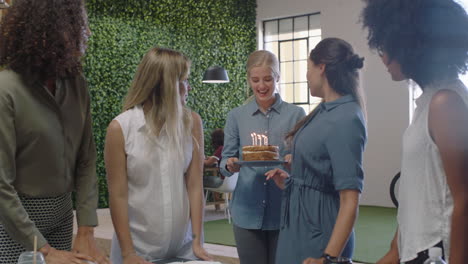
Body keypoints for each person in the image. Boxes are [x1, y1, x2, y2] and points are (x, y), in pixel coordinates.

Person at [0, 0, 109, 263]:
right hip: (14, 225)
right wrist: (43, 250)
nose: (87, 33)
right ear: (48, 30)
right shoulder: (6, 90)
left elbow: (86, 160)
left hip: (62, 215)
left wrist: (86, 230)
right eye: (77, 25)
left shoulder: (76, 85)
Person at [361, 0, 468, 263]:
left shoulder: (446, 103)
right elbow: (418, 188)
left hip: (436, 253)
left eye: (388, 48)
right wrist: (395, 250)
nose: (383, 57)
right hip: (416, 249)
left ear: (412, 46)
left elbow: (464, 198)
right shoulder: (429, 102)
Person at [105, 47, 212, 264]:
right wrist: (128, 254)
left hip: (184, 248)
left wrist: (197, 241)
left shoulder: (192, 123)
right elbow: (118, 195)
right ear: (166, 86)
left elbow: (194, 185)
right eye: (184, 80)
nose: (188, 87)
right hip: (137, 251)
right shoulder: (121, 128)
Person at [265, 38, 367, 264]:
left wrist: (328, 258)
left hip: (320, 233)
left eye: (308, 68)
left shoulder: (346, 118)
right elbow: (322, 169)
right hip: (298, 224)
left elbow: (350, 199)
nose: (306, 76)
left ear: (321, 67)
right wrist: (293, 179)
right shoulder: (324, 111)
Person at [220, 50, 306, 264]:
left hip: (284, 211)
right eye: (255, 79)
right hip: (246, 210)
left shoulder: (296, 115)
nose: (261, 86)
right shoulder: (236, 117)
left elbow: (304, 161)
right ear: (248, 79)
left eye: (268, 79)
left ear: (277, 77)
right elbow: (225, 161)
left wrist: (293, 161)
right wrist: (230, 165)